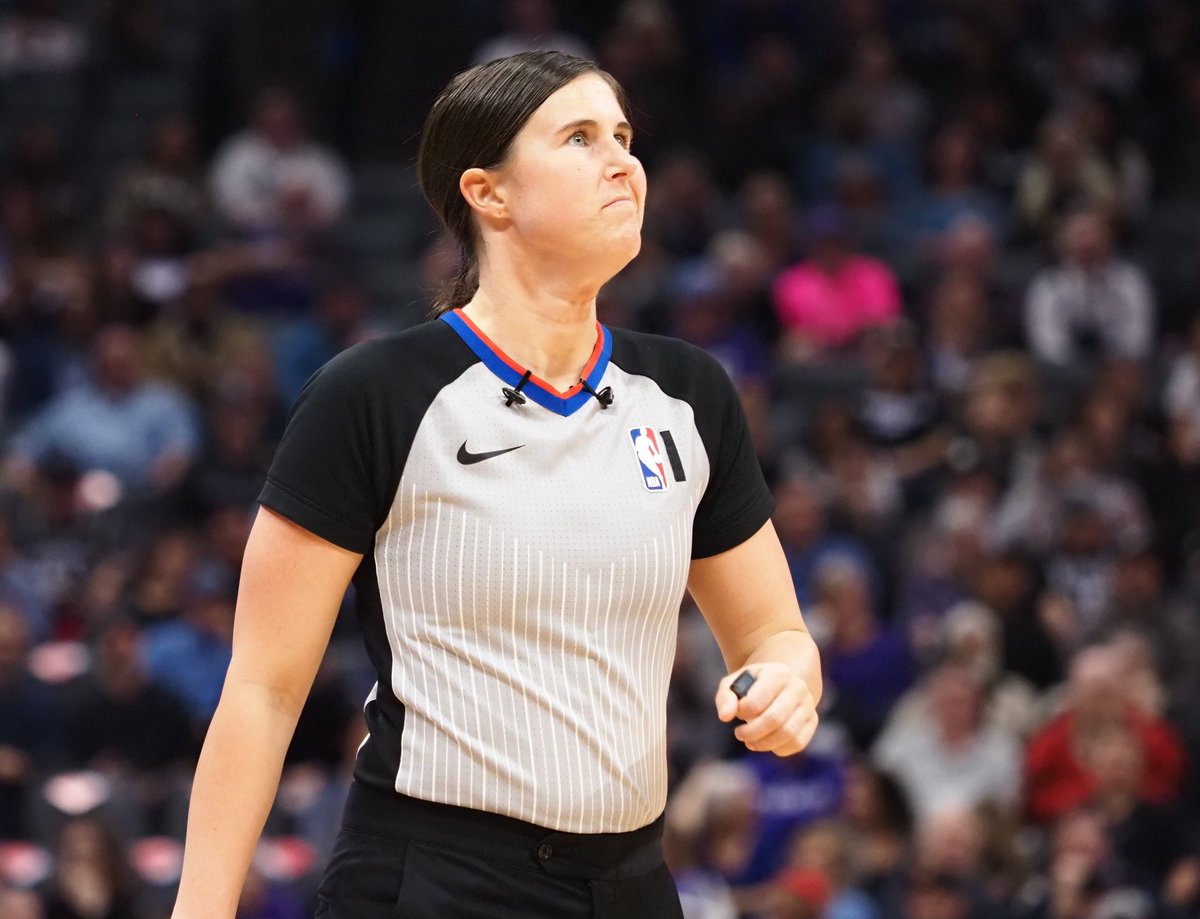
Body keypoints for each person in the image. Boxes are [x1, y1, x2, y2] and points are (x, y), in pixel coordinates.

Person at [171, 51, 821, 919]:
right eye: (580, 137)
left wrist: (786, 681)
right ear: (490, 193)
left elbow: (774, 632)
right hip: (434, 879)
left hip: (632, 882)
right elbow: (263, 687)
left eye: (624, 136)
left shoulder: (689, 394)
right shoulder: (375, 394)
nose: (622, 160)